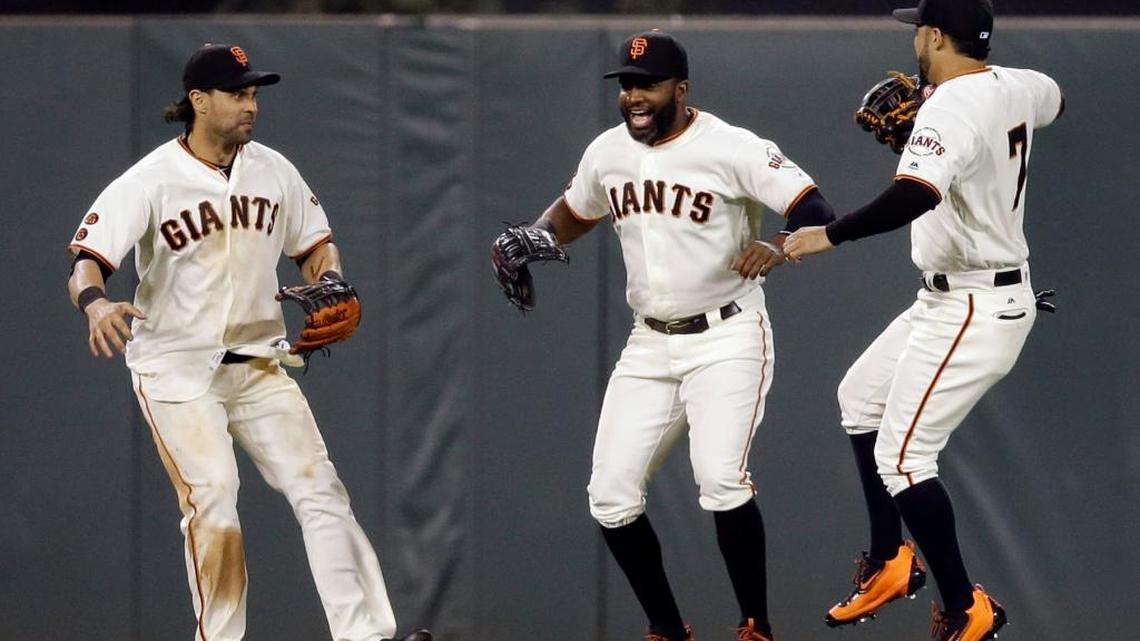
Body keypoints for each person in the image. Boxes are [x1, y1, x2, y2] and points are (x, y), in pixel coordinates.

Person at [66, 43, 430, 641]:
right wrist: (96, 302)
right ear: (199, 102)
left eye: (254, 94)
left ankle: (365, 635)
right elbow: (86, 258)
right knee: (214, 503)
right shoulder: (152, 178)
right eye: (238, 94)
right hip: (177, 372)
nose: (251, 105)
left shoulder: (273, 169)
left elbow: (314, 244)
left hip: (261, 363)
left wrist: (330, 278)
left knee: (320, 490)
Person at [506, 29, 836, 641]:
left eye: (647, 85)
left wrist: (777, 243)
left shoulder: (733, 147)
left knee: (719, 479)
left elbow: (814, 207)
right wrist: (531, 236)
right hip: (650, 343)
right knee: (609, 495)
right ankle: (667, 629)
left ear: (680, 89)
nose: (633, 95)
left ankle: (757, 627)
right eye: (626, 85)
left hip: (728, 336)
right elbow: (575, 213)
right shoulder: (608, 151)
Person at [783, 2, 1063, 640]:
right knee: (859, 398)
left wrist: (830, 234)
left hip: (974, 301)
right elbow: (1057, 99)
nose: (915, 36)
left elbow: (916, 194)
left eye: (918, 27)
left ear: (935, 35)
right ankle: (888, 561)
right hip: (955, 296)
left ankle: (968, 608)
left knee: (905, 460)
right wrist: (961, 131)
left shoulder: (948, 108)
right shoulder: (1018, 85)